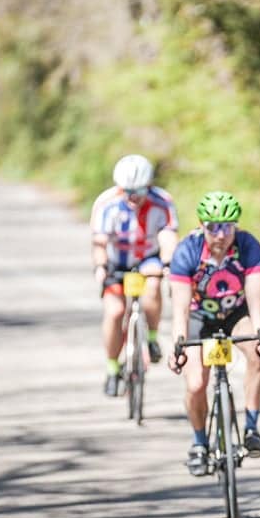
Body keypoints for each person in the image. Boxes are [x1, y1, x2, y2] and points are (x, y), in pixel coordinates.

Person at [167, 191, 260, 475]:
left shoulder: (248, 245)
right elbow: (180, 309)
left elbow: (256, 302)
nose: (220, 234)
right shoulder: (187, 251)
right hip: (199, 317)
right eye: (213, 227)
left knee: (258, 354)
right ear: (201, 225)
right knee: (195, 384)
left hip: (235, 314)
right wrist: (178, 346)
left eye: (227, 226)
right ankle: (199, 443)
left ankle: (251, 427)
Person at [90, 154, 179, 396]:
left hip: (148, 258)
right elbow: (99, 243)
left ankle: (151, 337)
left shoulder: (163, 202)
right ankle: (112, 368)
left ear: (149, 185)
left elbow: (168, 236)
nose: (133, 196)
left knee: (153, 288)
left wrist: (168, 263)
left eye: (138, 190)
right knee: (115, 311)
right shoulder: (106, 203)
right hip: (116, 261)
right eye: (127, 190)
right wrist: (100, 266)